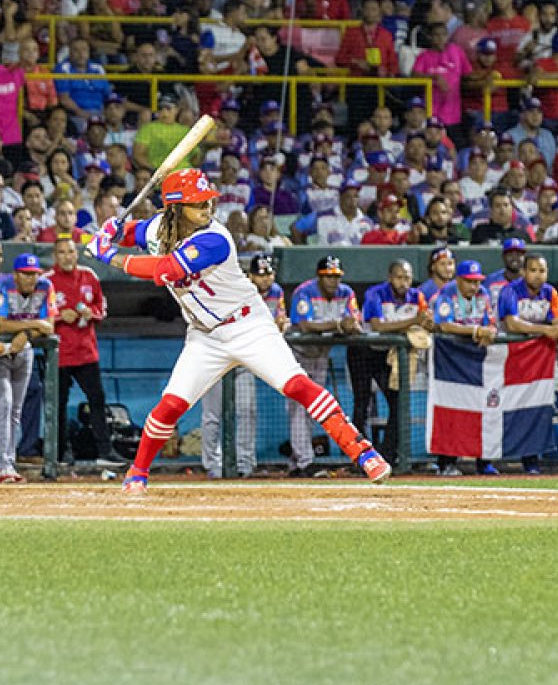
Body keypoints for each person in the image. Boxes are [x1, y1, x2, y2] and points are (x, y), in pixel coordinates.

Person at [84, 169, 392, 493]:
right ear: (175, 208)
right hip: (204, 336)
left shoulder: (214, 238)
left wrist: (110, 255)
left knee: (297, 385)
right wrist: (114, 230)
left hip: (248, 326)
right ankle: (137, 473)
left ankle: (364, 453)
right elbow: (136, 231)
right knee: (171, 405)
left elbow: (165, 270)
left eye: (207, 201)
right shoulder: (160, 227)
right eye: (197, 203)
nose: (206, 208)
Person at [199, 254, 288, 479]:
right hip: (215, 357)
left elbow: (278, 321)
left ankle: (244, 463)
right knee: (212, 415)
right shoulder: (236, 289)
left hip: (243, 360)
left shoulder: (276, 292)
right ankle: (213, 465)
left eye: (269, 274)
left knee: (247, 412)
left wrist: (279, 326)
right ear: (249, 276)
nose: (266, 279)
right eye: (260, 275)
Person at [45, 238, 125, 467]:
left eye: (70, 252)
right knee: (57, 404)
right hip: (59, 353)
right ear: (55, 256)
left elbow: (101, 306)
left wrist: (92, 313)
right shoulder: (46, 281)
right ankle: (60, 454)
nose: (67, 256)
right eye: (62, 252)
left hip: (86, 351)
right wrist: (60, 316)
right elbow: (38, 312)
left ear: (76, 254)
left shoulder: (89, 275)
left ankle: (105, 452)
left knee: (97, 399)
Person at [283, 255, 365, 476]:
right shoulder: (305, 291)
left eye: (336, 277)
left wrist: (351, 326)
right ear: (319, 277)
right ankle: (304, 461)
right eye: (328, 277)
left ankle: (298, 461)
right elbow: (305, 325)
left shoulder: (346, 293)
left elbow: (354, 322)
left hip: (321, 355)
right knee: (298, 408)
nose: (333, 281)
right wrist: (339, 325)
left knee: (312, 408)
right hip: (298, 354)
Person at [496, 254, 558, 474]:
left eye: (542, 271)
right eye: (533, 270)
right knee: (501, 406)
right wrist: (547, 330)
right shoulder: (510, 291)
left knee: (534, 407)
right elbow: (512, 324)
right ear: (524, 272)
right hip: (506, 358)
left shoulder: (550, 292)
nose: (538, 275)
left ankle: (531, 461)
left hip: (536, 361)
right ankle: (489, 461)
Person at [0, 253, 55, 483]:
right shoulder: (1, 285)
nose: (31, 279)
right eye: (25, 274)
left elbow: (49, 326)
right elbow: (1, 324)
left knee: (15, 410)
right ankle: (1, 465)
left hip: (24, 350)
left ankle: (9, 463)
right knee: (3, 403)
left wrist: (25, 334)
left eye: (34, 274)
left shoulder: (46, 286)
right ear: (16, 274)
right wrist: (35, 325)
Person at [361, 259, 432, 463]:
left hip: (390, 355)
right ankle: (360, 457)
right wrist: (413, 321)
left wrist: (427, 322)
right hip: (365, 352)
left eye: (407, 278)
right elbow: (378, 326)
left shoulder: (417, 296)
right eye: (399, 277)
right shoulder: (375, 293)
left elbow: (426, 320)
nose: (403, 282)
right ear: (390, 278)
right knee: (361, 405)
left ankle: (387, 456)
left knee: (398, 404)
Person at [432, 260, 498, 476]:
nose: (474, 286)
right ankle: (447, 462)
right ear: (459, 280)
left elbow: (491, 323)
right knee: (452, 411)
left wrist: (488, 331)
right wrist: (476, 331)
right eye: (469, 282)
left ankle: (484, 462)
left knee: (484, 407)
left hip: (475, 359)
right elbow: (444, 324)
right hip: (449, 359)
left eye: (477, 282)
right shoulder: (447, 293)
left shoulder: (483, 294)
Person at [484, 238, 527, 306]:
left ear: (524, 257)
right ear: (503, 257)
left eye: (518, 254)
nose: (514, 258)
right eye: (510, 254)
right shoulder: (491, 281)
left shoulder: (531, 280)